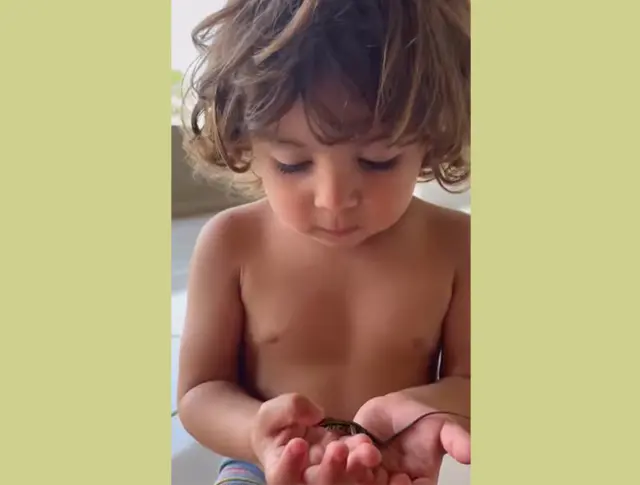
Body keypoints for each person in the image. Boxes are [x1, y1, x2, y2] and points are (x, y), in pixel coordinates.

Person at [177, 1, 470, 484]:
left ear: (430, 142)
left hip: (392, 468)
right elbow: (199, 392)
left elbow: (471, 382)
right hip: (261, 464)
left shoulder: (456, 245)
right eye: (292, 164)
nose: (333, 200)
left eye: (377, 161)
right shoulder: (232, 243)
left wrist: (421, 410)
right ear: (247, 145)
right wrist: (259, 434)